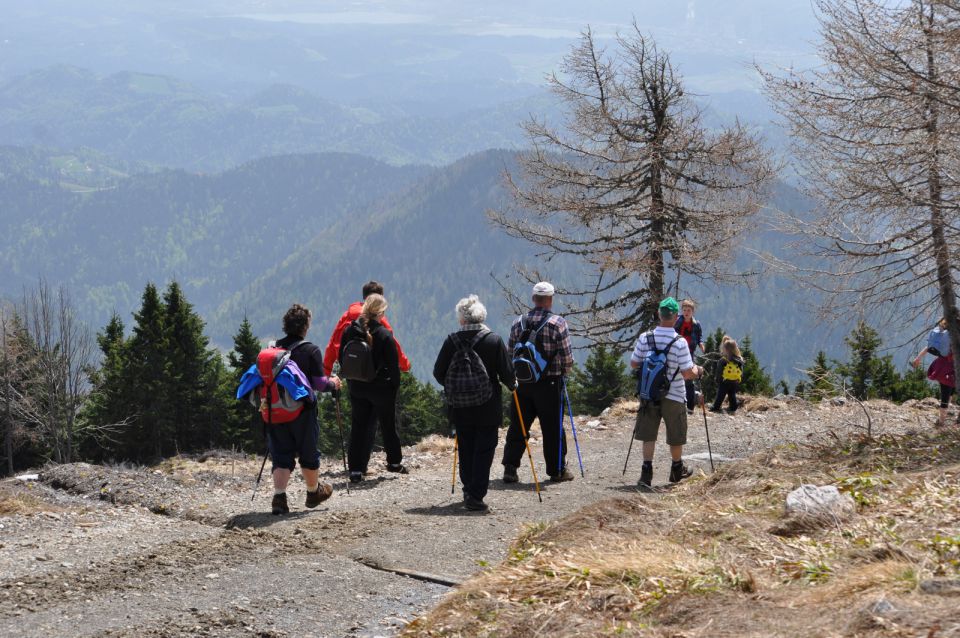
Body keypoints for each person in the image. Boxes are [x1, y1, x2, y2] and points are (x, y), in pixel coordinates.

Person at [433, 295, 516, 512]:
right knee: (485, 447)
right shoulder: (493, 340)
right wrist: (513, 384)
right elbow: (507, 373)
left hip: (459, 405)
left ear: (462, 319)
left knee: (466, 446)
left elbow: (438, 372)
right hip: (488, 404)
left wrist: (455, 387)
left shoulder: (451, 341)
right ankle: (476, 494)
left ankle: (468, 487)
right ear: (482, 316)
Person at [268, 304, 342, 515]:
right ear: (305, 326)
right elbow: (319, 384)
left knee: (281, 455)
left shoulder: (273, 349)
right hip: (303, 411)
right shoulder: (310, 350)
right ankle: (313, 492)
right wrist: (334, 383)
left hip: (275, 411)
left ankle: (279, 498)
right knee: (308, 454)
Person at [501, 281, 575, 483]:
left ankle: (510, 467)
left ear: (534, 299)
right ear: (550, 300)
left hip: (522, 383)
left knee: (518, 425)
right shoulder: (558, 323)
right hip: (549, 383)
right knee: (552, 428)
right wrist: (563, 372)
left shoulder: (519, 322)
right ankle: (556, 470)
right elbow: (567, 358)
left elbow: (509, 353)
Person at [630, 297, 704, 490]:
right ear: (675, 317)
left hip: (649, 394)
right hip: (675, 394)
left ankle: (646, 473)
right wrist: (699, 370)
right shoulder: (679, 342)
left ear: (659, 315)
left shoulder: (646, 337)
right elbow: (688, 373)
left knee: (648, 435)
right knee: (676, 434)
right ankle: (676, 469)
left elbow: (634, 363)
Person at [340, 293, 406, 481]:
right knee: (387, 426)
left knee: (359, 426)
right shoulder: (384, 335)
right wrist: (394, 387)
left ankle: (355, 469)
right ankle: (394, 462)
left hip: (357, 387)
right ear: (381, 313)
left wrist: (351, 381)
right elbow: (394, 367)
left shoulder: (349, 331)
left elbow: (341, 359)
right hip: (381, 389)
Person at [323, 280, 411, 376]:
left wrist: (326, 371)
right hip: (373, 373)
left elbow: (333, 343)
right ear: (379, 299)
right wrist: (405, 365)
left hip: (351, 370)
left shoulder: (347, 316)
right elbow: (392, 345)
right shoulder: (380, 320)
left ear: (364, 297)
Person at [913, 318, 956, 428]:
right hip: (950, 369)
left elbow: (929, 347)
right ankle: (941, 423)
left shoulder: (942, 334)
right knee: (946, 396)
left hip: (941, 367)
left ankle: (943, 418)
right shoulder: (954, 337)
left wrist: (918, 358)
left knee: (948, 393)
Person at [674, 299, 705, 414]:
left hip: (689, 353)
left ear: (693, 312)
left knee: (689, 379)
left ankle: (690, 407)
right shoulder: (677, 322)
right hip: (677, 352)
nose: (686, 312)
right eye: (684, 310)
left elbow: (699, 336)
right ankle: (676, 404)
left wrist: (701, 344)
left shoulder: (696, 324)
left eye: (689, 310)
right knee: (676, 376)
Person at [710, 336, 744, 413]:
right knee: (732, 394)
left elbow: (719, 372)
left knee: (720, 395)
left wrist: (718, 380)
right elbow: (741, 371)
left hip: (724, 381)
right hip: (735, 381)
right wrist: (739, 379)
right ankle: (733, 407)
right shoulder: (739, 359)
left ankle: (716, 407)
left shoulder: (723, 360)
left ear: (725, 349)